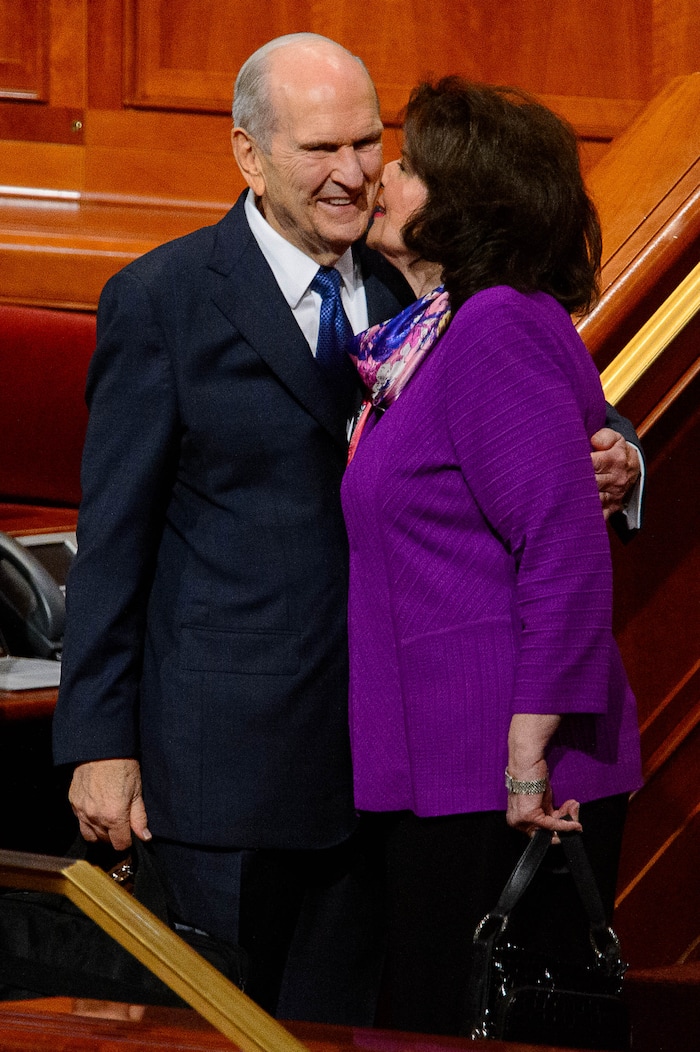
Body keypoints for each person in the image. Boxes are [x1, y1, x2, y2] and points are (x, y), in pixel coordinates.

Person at [52, 33, 641, 1024]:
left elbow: (538, 402)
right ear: (249, 154)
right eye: (321, 149)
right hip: (231, 767)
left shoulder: (425, 283)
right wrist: (97, 739)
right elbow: (114, 539)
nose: (356, 172)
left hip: (395, 775)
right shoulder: (163, 300)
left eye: (370, 143)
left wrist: (616, 453)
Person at [340, 77, 644, 1036]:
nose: (384, 173)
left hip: (499, 774)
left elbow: (562, 545)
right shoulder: (435, 330)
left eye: (411, 164)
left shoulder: (493, 326)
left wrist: (526, 756)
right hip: (448, 761)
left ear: (463, 203)